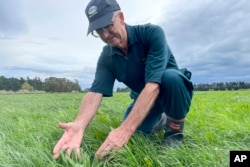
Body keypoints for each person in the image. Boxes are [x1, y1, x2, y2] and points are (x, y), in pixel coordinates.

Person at [53, 0, 194, 160]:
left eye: (108, 26)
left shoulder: (151, 34)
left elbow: (153, 86)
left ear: (121, 17)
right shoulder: (107, 56)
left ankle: (174, 132)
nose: (106, 34)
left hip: (171, 91)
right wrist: (79, 124)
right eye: (99, 31)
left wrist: (125, 130)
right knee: (136, 136)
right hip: (144, 99)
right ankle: (160, 119)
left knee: (171, 77)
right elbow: (95, 92)